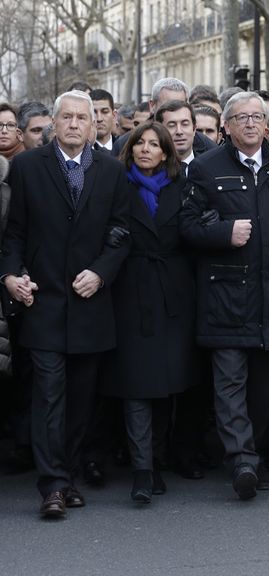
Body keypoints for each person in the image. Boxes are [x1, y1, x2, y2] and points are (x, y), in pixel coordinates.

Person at [1, 90, 131, 518]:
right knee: (49, 397)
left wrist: (102, 271)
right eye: (67, 117)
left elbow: (120, 232)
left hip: (90, 302)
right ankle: (53, 485)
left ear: (95, 125)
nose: (75, 124)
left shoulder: (112, 171)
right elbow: (14, 233)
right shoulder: (26, 167)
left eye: (83, 118)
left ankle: (68, 474)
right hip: (44, 302)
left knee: (81, 400)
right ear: (53, 124)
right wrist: (10, 276)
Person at [179, 91, 269, 500]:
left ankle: (259, 454)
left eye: (256, 117)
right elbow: (187, 226)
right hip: (225, 299)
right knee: (229, 385)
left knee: (262, 391)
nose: (250, 124)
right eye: (240, 118)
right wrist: (222, 233)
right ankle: (242, 460)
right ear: (226, 127)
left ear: (265, 126)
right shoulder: (205, 167)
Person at [100, 122, 196, 502]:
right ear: (130, 149)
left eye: (154, 145)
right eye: (139, 143)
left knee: (166, 387)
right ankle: (142, 470)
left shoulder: (183, 188)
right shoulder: (117, 186)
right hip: (130, 294)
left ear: (166, 153)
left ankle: (156, 460)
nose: (145, 149)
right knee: (137, 386)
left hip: (173, 296)